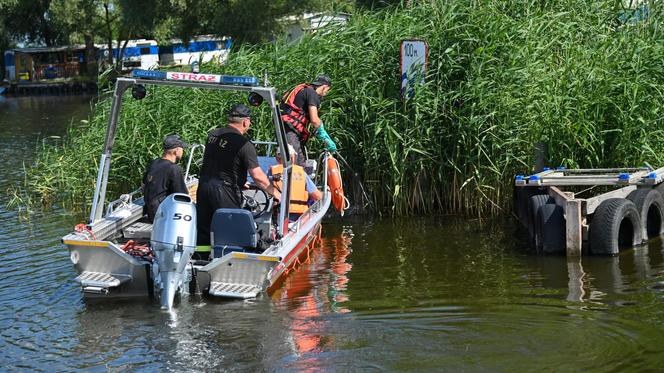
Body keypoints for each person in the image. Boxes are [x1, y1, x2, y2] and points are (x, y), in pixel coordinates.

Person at [196, 104, 281, 245]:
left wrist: (240, 181)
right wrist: (276, 194)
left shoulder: (213, 135)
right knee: (231, 228)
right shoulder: (244, 144)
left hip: (204, 186)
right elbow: (258, 177)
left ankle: (201, 257)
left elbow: (220, 160)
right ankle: (227, 258)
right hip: (223, 191)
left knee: (205, 227)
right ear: (245, 122)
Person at [280, 75, 337, 167]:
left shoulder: (304, 90)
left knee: (300, 164)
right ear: (324, 87)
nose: (326, 93)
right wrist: (324, 134)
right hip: (290, 130)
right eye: (327, 90)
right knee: (294, 164)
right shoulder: (312, 94)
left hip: (285, 128)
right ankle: (289, 180)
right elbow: (314, 119)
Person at [142, 134, 189, 223]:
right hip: (163, 216)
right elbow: (182, 196)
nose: (183, 151)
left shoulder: (154, 163)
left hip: (151, 212)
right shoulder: (174, 169)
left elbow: (144, 184)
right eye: (182, 148)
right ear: (177, 150)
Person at [269, 145, 322, 220]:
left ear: (277, 158)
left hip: (277, 215)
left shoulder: (271, 172)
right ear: (293, 157)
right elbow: (318, 196)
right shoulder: (300, 173)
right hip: (298, 217)